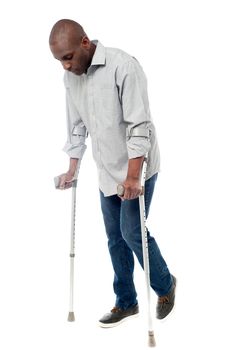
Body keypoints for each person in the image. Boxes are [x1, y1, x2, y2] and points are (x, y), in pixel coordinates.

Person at [49, 19, 176, 327]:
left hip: (138, 167)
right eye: (59, 61)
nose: (65, 66)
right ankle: (126, 302)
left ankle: (165, 284)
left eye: (67, 57)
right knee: (114, 237)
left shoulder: (123, 66)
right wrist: (72, 170)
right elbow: (77, 126)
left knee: (131, 231)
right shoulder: (72, 79)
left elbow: (139, 127)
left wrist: (133, 177)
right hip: (106, 170)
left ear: (84, 43)